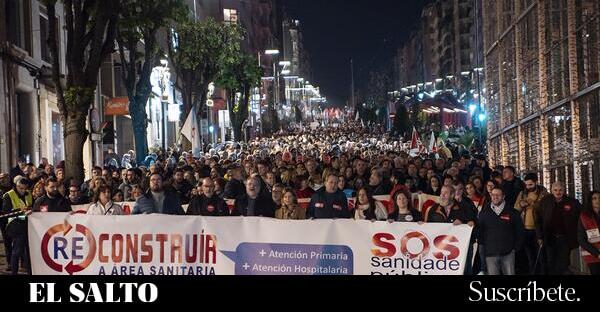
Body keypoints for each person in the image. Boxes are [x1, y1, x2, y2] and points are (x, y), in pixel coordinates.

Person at [536, 181, 581, 275]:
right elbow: (538, 220)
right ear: (551, 191)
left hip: (565, 238)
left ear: (564, 190)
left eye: (560, 190)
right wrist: (539, 236)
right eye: (555, 190)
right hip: (550, 237)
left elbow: (580, 217)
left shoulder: (572, 202)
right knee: (550, 262)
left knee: (564, 263)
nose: (558, 192)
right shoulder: (545, 202)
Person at [478, 187, 524, 275]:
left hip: (508, 253)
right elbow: (480, 233)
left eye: (498, 195)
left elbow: (520, 231)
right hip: (490, 254)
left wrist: (515, 248)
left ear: (503, 196)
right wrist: (485, 247)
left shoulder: (513, 212)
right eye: (493, 195)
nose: (495, 197)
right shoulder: (484, 213)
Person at [514, 173, 548, 274]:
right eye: (526, 185)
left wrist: (532, 204)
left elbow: (545, 208)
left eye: (531, 185)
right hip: (525, 228)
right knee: (530, 256)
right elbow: (515, 209)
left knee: (541, 256)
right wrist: (521, 204)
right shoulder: (523, 193)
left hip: (539, 229)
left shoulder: (543, 193)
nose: (528, 187)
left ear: (536, 182)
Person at [1, 177, 32, 274]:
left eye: (24, 188)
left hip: (27, 224)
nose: (23, 190)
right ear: (16, 186)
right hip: (14, 224)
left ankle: (30, 271)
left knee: (28, 250)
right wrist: (20, 212)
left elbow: (31, 205)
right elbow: (5, 212)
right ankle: (14, 271)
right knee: (17, 250)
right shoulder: (9, 195)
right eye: (20, 188)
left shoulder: (28, 194)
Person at [578, 191, 600, 275]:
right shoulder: (584, 217)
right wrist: (597, 254)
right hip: (592, 255)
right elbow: (581, 239)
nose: (597, 200)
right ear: (590, 201)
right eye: (594, 198)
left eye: (599, 198)